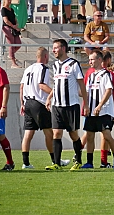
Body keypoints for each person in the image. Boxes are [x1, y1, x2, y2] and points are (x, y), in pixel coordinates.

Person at [20, 47, 71, 169]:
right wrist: (55, 92)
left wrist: (22, 103)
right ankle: (55, 160)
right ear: (45, 56)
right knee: (49, 132)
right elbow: (41, 85)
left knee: (28, 134)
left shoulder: (28, 69)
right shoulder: (44, 68)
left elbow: (22, 87)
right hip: (39, 103)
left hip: (28, 103)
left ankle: (25, 163)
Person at [45, 39, 90, 171]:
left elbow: (82, 84)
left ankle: (78, 160)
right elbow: (56, 84)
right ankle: (57, 163)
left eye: (56, 47)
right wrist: (49, 97)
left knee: (73, 135)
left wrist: (86, 104)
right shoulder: (54, 65)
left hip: (71, 105)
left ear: (63, 48)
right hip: (57, 106)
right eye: (53, 48)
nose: (53, 50)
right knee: (56, 133)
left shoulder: (73, 64)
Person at [80, 50, 114, 169]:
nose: (90, 62)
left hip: (104, 111)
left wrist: (100, 105)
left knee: (107, 135)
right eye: (89, 59)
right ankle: (89, 162)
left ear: (99, 60)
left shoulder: (106, 74)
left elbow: (109, 90)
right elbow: (86, 92)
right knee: (90, 136)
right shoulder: (91, 75)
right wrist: (86, 106)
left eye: (92, 59)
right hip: (92, 111)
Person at [1, 0, 22, 68]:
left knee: (18, 44)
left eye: (10, 0)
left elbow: (15, 18)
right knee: (12, 44)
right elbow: (6, 20)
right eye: (8, 0)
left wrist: (16, 25)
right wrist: (13, 26)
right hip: (7, 28)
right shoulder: (3, 9)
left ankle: (10, 54)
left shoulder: (11, 9)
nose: (9, 1)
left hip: (13, 28)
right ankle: (13, 63)